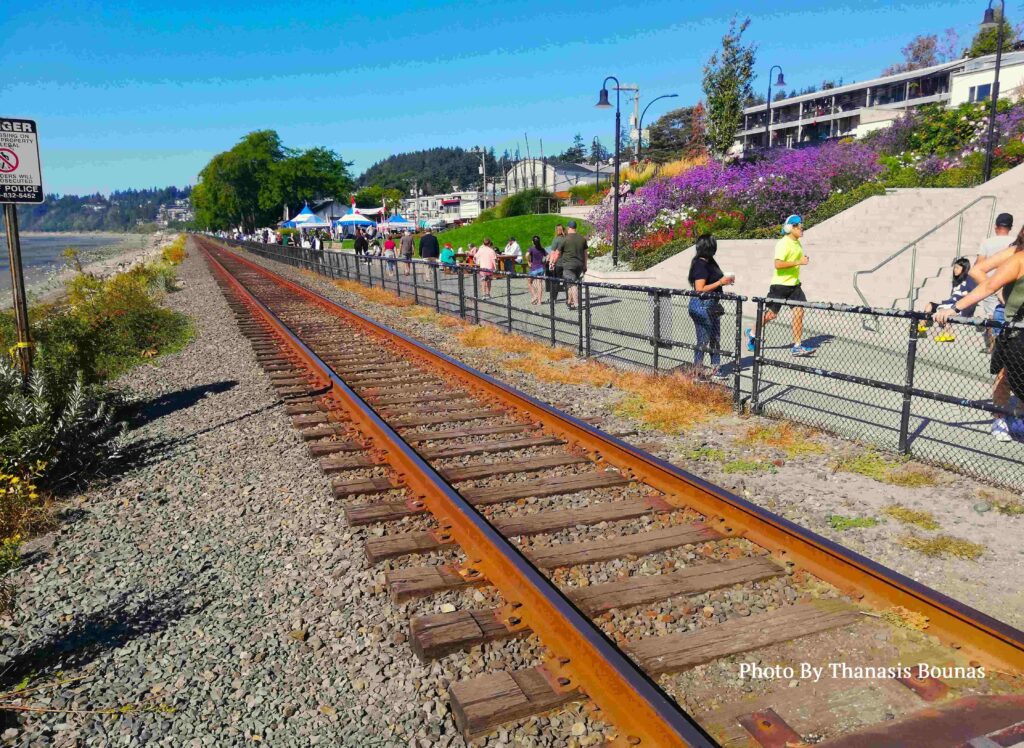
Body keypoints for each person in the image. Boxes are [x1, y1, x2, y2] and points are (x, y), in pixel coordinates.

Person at [935, 228, 1024, 441]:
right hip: (1014, 323)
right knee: (1006, 372)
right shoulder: (1016, 255)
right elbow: (987, 281)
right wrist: (955, 308)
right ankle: (1000, 418)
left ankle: (1019, 415)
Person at [746, 214, 814, 357]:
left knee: (799, 312)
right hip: (780, 286)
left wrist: (801, 260)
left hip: (794, 286)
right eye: (799, 225)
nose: (802, 228)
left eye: (802, 225)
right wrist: (798, 262)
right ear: (791, 228)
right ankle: (752, 333)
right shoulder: (783, 243)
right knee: (771, 315)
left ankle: (797, 346)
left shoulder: (797, 243)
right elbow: (778, 264)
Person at [688, 234, 735, 378]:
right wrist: (720, 283)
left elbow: (714, 282)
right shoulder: (700, 264)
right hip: (702, 305)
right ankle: (697, 371)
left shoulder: (710, 262)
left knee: (715, 338)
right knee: (704, 339)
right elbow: (699, 288)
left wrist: (724, 285)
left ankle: (716, 369)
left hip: (712, 304)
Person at [975, 212, 1015, 351]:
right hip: (1008, 284)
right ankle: (1006, 345)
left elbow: (978, 265)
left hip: (990, 283)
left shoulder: (987, 242)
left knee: (991, 316)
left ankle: (992, 347)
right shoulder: (1015, 241)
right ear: (1010, 227)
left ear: (996, 227)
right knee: (1008, 315)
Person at [921, 258, 978, 342]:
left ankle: (948, 333)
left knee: (944, 310)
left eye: (957, 267)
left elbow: (973, 295)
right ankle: (921, 328)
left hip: (960, 307)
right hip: (950, 303)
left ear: (964, 268)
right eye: (954, 267)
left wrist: (965, 297)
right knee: (929, 305)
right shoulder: (956, 281)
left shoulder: (970, 279)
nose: (955, 270)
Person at [550, 220, 587, 309]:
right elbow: (585, 253)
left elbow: (557, 253)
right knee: (570, 283)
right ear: (575, 227)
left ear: (568, 228)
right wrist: (585, 265)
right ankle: (569, 301)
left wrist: (552, 263)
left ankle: (577, 304)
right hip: (579, 265)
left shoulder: (565, 239)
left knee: (573, 284)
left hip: (568, 265)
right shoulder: (582, 238)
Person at [547, 224, 566, 302]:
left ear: (556, 230)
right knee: (567, 282)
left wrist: (551, 263)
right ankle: (570, 298)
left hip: (557, 263)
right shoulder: (566, 238)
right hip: (566, 263)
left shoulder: (556, 239)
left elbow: (553, 253)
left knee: (555, 281)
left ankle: (553, 298)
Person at [527, 235, 548, 304]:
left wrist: (528, 261)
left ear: (533, 242)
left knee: (529, 282)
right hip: (541, 268)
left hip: (534, 268)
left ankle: (534, 295)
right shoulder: (542, 249)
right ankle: (539, 301)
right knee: (539, 284)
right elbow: (547, 256)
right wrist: (544, 262)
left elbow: (527, 255)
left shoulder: (532, 249)